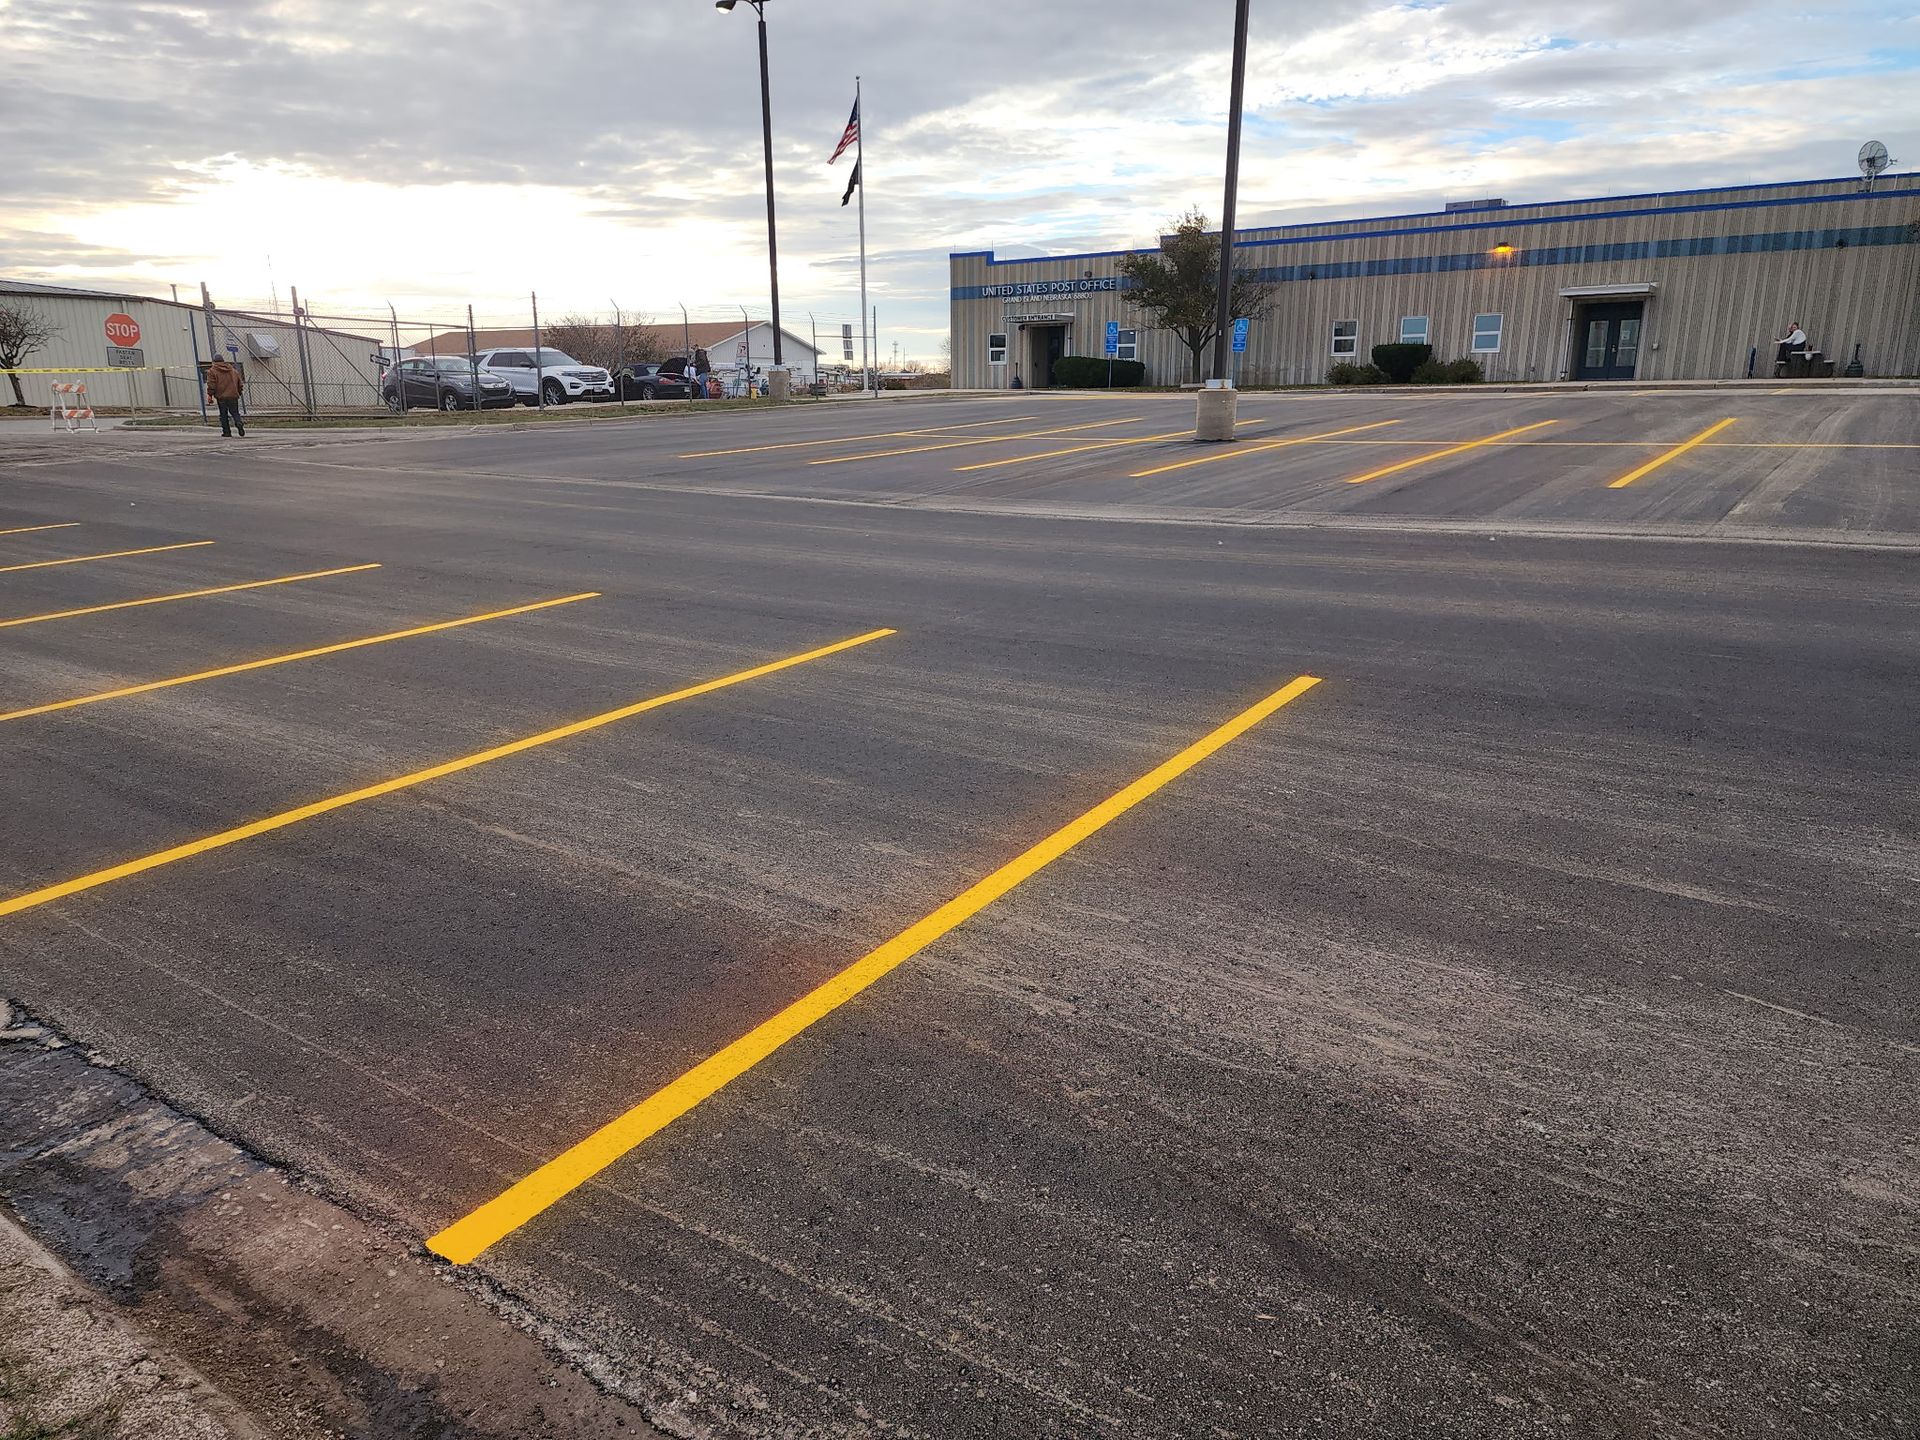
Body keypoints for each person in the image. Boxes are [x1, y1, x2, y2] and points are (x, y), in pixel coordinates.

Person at [205, 356, 246, 436]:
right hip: (233, 395)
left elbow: (211, 384)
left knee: (223, 414)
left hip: (221, 396)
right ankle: (238, 422)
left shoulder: (212, 371)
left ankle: (227, 432)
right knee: (235, 412)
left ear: (214, 361)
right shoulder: (233, 370)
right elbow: (240, 383)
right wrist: (238, 392)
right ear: (223, 361)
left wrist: (210, 395)